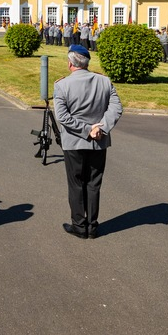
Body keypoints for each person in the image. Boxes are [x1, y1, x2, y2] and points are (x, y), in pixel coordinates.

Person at [53, 44, 122, 239]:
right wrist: (100, 128)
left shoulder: (62, 85)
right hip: (98, 141)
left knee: (76, 183)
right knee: (93, 183)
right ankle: (92, 226)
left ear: (70, 64)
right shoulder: (104, 81)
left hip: (74, 141)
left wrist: (87, 130)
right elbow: (116, 108)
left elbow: (62, 117)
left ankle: (79, 225)